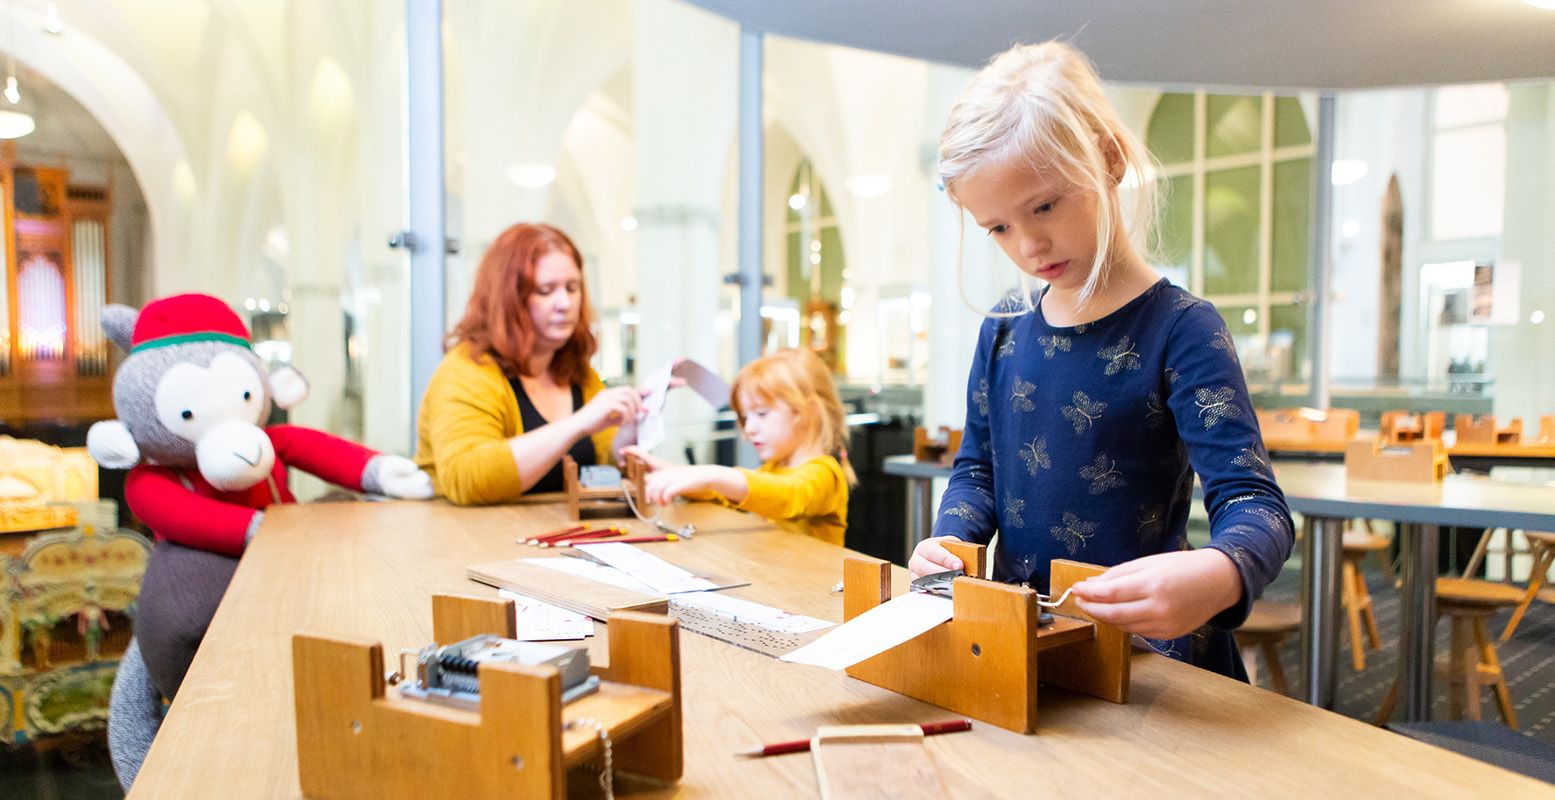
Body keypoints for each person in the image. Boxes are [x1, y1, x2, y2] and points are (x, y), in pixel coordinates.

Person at [908, 41, 1292, 678]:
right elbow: (978, 471)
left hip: (1150, 659)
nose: (1028, 244)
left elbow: (1255, 503)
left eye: (1045, 206)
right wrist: (953, 540)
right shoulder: (1003, 328)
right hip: (1026, 644)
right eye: (997, 227)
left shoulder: (1182, 329)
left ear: (1109, 160)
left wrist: (1220, 573)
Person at [416, 223, 648, 504]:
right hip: (472, 542)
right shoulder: (466, 369)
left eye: (572, 288)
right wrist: (578, 424)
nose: (564, 303)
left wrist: (627, 435)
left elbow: (602, 465)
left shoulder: (578, 372)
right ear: (508, 298)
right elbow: (467, 480)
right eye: (545, 290)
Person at [623, 348, 855, 546]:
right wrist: (673, 471)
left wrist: (712, 474)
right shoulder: (775, 468)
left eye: (761, 413)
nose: (749, 428)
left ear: (809, 412)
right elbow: (726, 494)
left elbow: (787, 495)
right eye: (745, 417)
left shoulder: (825, 473)